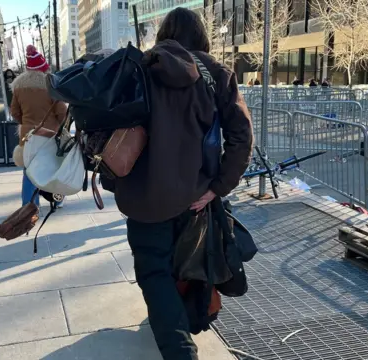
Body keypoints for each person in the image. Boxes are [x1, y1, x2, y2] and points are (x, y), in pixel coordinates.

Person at [113, 7, 253, 360]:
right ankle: (181, 326)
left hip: (143, 197)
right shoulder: (217, 74)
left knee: (155, 272)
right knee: (187, 266)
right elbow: (241, 136)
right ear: (201, 36)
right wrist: (218, 186)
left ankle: (180, 350)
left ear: (164, 34)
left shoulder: (139, 69)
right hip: (195, 197)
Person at [10, 45, 67, 207]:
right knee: (52, 168)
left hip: (28, 135)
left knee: (29, 170)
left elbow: (14, 112)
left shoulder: (19, 87)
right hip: (49, 135)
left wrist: (26, 122)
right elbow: (61, 112)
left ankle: (29, 205)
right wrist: (62, 127)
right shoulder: (50, 85)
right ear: (43, 67)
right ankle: (57, 200)